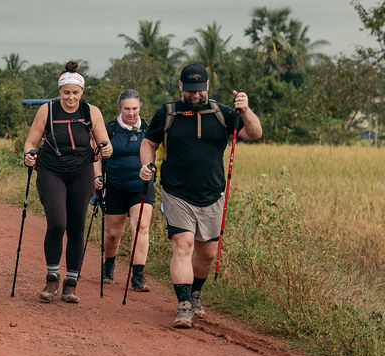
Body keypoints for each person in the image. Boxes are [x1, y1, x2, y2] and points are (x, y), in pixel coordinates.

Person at [140, 63, 262, 328]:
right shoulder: (168, 112)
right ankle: (183, 305)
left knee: (207, 254)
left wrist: (246, 109)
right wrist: (147, 164)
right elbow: (149, 142)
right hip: (176, 192)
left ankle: (196, 292)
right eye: (190, 91)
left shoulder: (223, 113)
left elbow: (254, 133)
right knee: (183, 244)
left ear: (207, 86)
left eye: (199, 90)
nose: (195, 96)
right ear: (181, 87)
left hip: (212, 193)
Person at [23, 61, 112, 304]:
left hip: (81, 172)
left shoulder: (91, 112)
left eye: (75, 93)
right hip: (52, 170)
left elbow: (103, 142)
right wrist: (29, 155)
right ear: (59, 91)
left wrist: (106, 148)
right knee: (57, 223)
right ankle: (52, 279)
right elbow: (31, 142)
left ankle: (70, 284)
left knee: (76, 228)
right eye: (66, 93)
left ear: (82, 91)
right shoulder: (48, 111)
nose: (71, 98)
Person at [100, 89, 156, 291]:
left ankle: (138, 276)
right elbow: (96, 155)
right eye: (127, 109)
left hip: (142, 187)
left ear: (139, 108)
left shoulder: (149, 129)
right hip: (115, 185)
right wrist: (97, 179)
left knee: (141, 227)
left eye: (134, 108)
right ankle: (109, 265)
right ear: (120, 108)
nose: (131, 113)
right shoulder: (109, 128)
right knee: (113, 233)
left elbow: (161, 152)